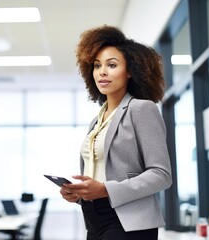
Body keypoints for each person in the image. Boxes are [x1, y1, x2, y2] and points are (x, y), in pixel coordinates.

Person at [59, 25, 172, 240]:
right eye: (97, 66)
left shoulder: (142, 109)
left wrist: (105, 190)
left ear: (130, 71)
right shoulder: (96, 120)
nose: (102, 72)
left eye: (112, 65)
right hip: (94, 218)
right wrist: (79, 193)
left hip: (129, 220)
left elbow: (161, 175)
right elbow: (101, 171)